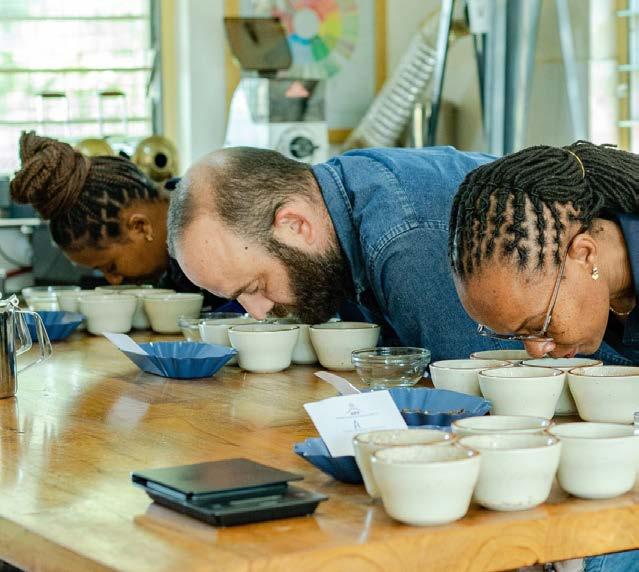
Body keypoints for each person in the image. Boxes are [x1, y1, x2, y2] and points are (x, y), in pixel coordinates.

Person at [448, 140, 639, 572]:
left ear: (584, 254)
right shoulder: (605, 289)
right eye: (515, 335)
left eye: (540, 322)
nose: (536, 350)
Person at [166, 145, 518, 361]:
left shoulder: (406, 244)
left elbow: (487, 404)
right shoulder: (334, 200)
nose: (257, 313)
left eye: (256, 286)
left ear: (295, 225)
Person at [10, 131, 234, 310]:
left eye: (111, 267)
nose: (114, 280)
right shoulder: (173, 257)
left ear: (139, 226)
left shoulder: (219, 221)